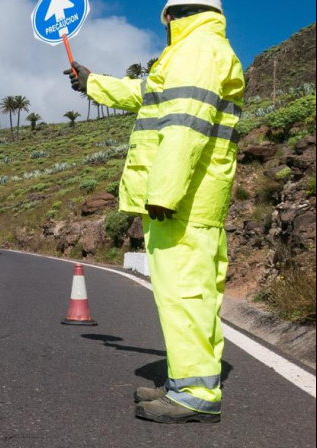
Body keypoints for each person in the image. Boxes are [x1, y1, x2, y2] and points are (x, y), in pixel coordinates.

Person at [64, 0, 244, 423]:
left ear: (174, 15)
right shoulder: (193, 50)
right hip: (193, 199)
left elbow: (186, 124)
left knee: (184, 295)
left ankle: (196, 395)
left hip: (183, 200)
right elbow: (147, 95)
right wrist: (94, 84)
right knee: (190, 295)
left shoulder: (197, 50)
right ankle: (188, 382)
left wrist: (165, 191)